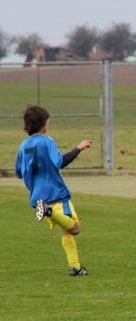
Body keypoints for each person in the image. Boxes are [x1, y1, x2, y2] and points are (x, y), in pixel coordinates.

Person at [15, 106, 93, 276]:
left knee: (66, 231)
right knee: (75, 229)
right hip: (56, 194)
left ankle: (75, 267)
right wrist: (78, 148)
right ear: (43, 124)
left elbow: (19, 173)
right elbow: (59, 162)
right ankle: (49, 212)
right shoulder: (46, 141)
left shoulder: (23, 146)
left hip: (37, 197)